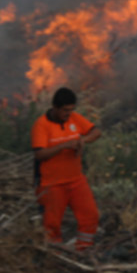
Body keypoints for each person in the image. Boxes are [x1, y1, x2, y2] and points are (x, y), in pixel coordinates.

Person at [32, 87, 102, 252]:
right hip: (51, 184)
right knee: (52, 223)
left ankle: (84, 249)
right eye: (65, 110)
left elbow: (96, 132)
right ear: (55, 107)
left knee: (90, 215)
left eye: (71, 110)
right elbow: (39, 154)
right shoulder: (41, 125)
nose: (68, 114)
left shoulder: (74, 118)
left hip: (76, 180)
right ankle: (54, 254)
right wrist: (63, 146)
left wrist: (83, 140)